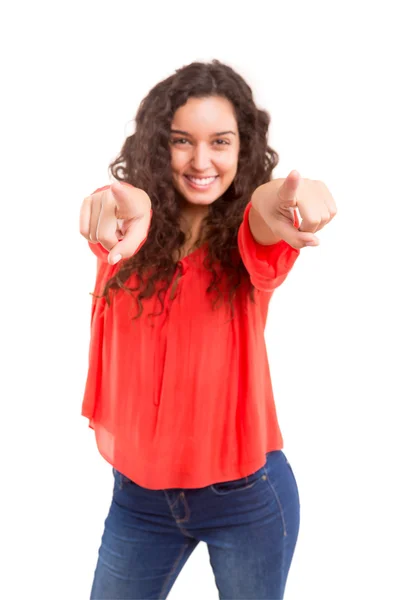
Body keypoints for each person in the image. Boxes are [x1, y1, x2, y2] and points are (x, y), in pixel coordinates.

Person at [79, 59, 337, 600]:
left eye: (220, 142)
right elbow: (119, 211)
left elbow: (270, 208)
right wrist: (110, 208)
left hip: (244, 495)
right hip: (139, 498)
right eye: (181, 142)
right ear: (158, 147)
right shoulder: (129, 232)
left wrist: (295, 197)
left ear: (242, 150)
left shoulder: (251, 236)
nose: (201, 160)